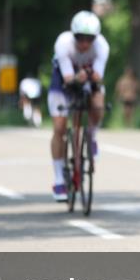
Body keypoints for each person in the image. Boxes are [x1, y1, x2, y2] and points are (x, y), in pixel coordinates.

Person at [48, 11, 109, 202]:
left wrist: (89, 77)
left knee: (98, 105)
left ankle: (92, 136)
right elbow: (68, 79)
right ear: (73, 35)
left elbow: (98, 77)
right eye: (80, 38)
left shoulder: (102, 46)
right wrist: (80, 76)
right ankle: (59, 179)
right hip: (63, 82)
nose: (84, 43)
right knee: (59, 128)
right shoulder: (63, 43)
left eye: (89, 39)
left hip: (87, 80)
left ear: (96, 38)